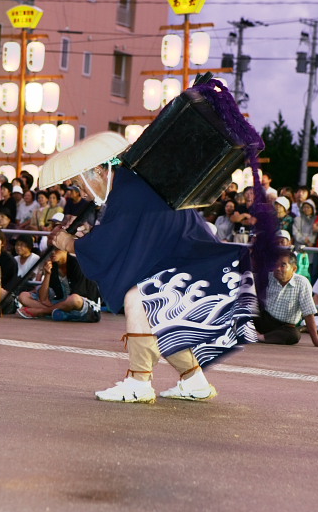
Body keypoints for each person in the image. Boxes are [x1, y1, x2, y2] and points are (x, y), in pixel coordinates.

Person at [41, 130, 259, 404]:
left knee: (139, 299)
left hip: (194, 262)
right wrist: (87, 237)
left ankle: (138, 382)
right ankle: (194, 380)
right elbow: (119, 236)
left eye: (80, 184)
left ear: (97, 171)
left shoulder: (127, 192)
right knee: (159, 314)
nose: (81, 192)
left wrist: (71, 243)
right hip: (191, 259)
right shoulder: (130, 185)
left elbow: (110, 244)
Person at [254, 251, 318, 346]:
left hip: (284, 327)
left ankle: (260, 337)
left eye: (283, 265)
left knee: (294, 335)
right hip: (263, 319)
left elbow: (308, 313)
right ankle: (256, 333)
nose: (277, 269)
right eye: (275, 265)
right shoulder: (265, 278)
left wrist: (316, 341)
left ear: (294, 269)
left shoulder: (302, 283)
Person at [17, 248, 101, 322]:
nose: (53, 252)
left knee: (74, 299)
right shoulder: (53, 265)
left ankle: (42, 312)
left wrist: (41, 310)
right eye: (51, 249)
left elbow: (77, 297)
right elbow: (44, 299)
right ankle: (57, 312)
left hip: (85, 305)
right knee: (23, 296)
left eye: (57, 249)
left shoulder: (78, 264)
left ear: (66, 249)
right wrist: (47, 274)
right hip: (63, 302)